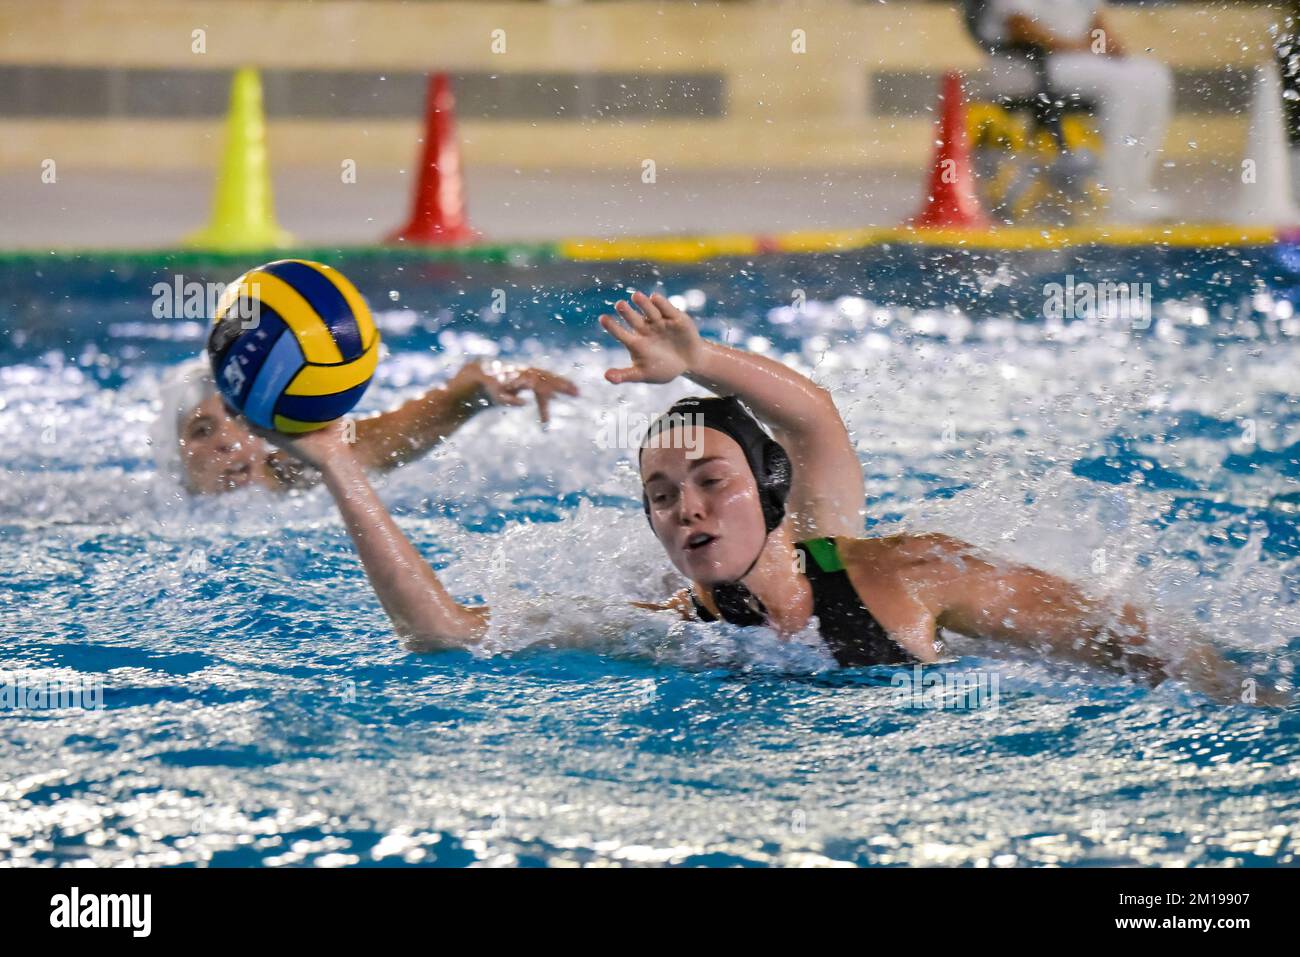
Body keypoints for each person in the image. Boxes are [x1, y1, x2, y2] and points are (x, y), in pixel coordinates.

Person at [251, 291, 1277, 706]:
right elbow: (445, 634)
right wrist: (340, 466)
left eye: (708, 483)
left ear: (769, 497)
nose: (685, 511)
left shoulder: (890, 575)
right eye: (659, 497)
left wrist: (698, 360)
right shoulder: (674, 630)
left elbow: (1131, 645)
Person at [151, 356, 578, 495]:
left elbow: (391, 433)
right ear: (175, 455)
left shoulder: (295, 472)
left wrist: (468, 396)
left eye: (238, 419)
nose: (228, 441)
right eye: (203, 430)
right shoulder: (150, 513)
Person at [975, 0, 1174, 223]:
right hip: (1028, 64)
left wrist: (1110, 46)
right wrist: (1076, 47)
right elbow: (1020, 26)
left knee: (1154, 75)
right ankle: (1115, 192)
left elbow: (1094, 19)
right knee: (1125, 84)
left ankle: (1136, 188)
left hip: (1075, 59)